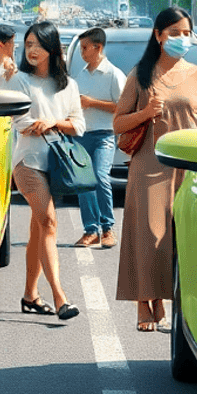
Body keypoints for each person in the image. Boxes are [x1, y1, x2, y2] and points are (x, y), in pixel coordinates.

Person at [113, 7, 197, 332]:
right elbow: (118, 123)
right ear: (158, 35)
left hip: (190, 167)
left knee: (180, 238)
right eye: (174, 33)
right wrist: (145, 113)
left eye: (186, 33)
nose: (181, 39)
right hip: (150, 165)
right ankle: (144, 303)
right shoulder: (140, 75)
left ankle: (169, 302)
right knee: (149, 236)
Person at [11, 21, 84, 320]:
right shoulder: (19, 80)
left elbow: (79, 125)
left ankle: (30, 295)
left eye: (38, 45)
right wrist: (39, 124)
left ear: (52, 48)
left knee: (38, 229)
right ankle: (60, 298)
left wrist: (54, 123)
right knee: (49, 222)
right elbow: (19, 122)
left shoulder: (68, 85)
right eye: (28, 44)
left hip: (56, 164)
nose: (32, 50)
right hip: (27, 163)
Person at [73, 28, 126, 249]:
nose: (82, 52)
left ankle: (107, 228)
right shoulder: (81, 75)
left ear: (98, 47)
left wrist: (92, 103)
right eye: (81, 48)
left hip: (104, 135)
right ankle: (90, 230)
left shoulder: (114, 74)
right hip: (82, 135)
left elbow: (123, 108)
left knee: (100, 176)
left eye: (85, 48)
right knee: (84, 182)